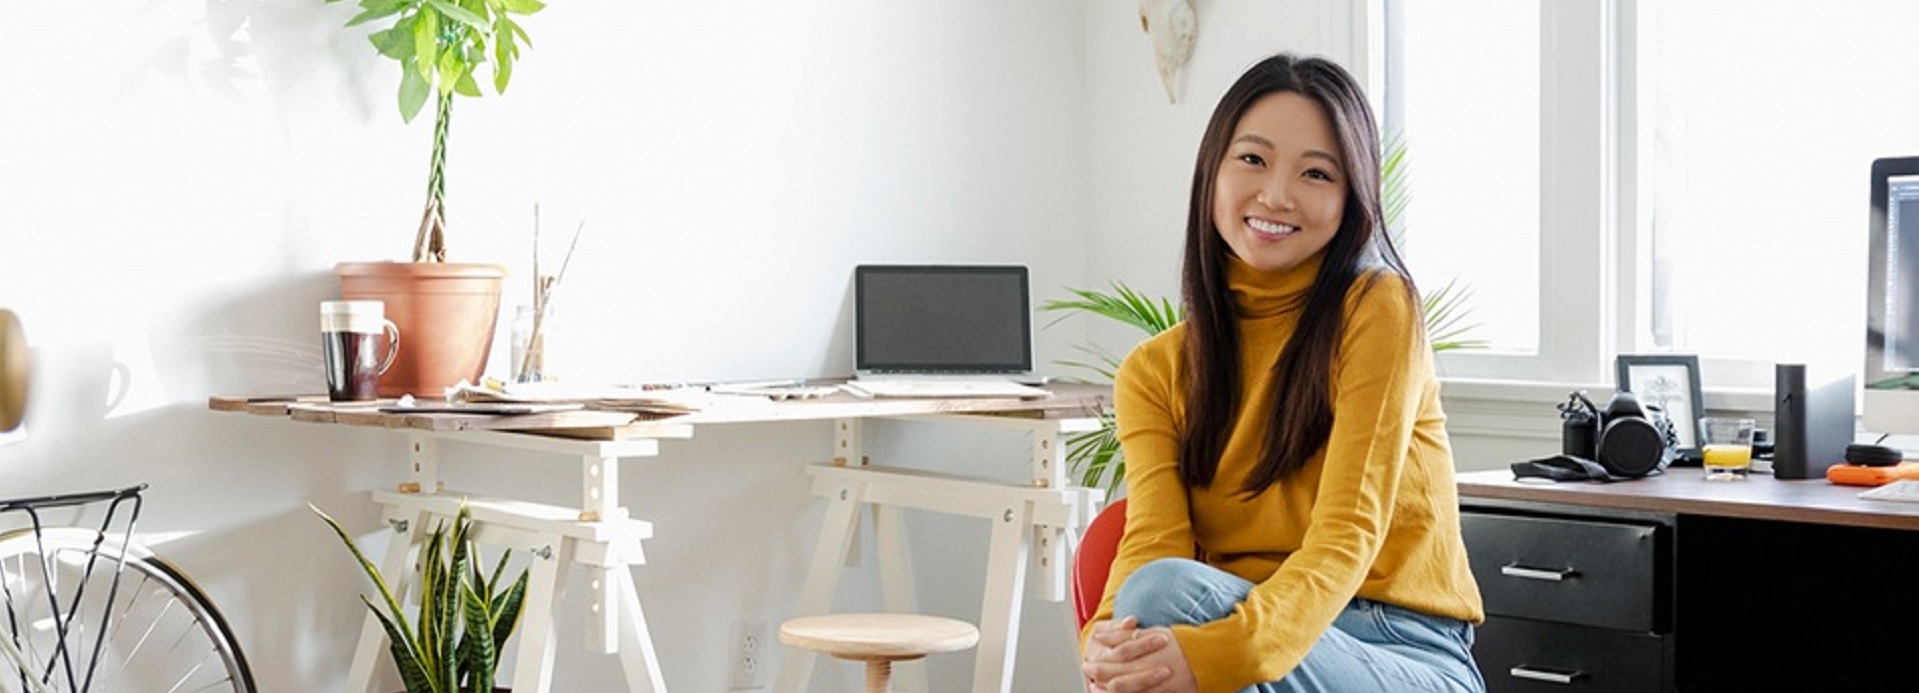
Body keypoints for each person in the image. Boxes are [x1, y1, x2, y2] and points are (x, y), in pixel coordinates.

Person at [1077, 53, 1486, 693]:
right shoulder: (1154, 372)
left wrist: (1218, 658)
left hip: (1403, 649)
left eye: (1316, 173)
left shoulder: (1377, 310)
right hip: (1238, 623)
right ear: (1212, 170)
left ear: (1351, 197)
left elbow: (1346, 533)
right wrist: (1103, 639)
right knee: (1156, 593)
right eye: (1253, 160)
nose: (1276, 195)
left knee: (1167, 602)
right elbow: (1155, 543)